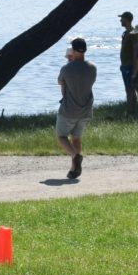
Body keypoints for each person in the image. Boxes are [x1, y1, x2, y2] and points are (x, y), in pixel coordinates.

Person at [56, 36, 97, 179]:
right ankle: (74, 169)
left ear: (73, 50)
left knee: (61, 136)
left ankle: (76, 156)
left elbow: (60, 81)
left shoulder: (66, 68)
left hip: (69, 110)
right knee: (76, 138)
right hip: (86, 110)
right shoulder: (92, 67)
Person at [118, 12, 136, 114]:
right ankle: (130, 109)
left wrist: (134, 67)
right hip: (124, 65)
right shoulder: (125, 33)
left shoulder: (132, 33)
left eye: (122, 19)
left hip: (130, 66)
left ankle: (131, 110)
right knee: (127, 88)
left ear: (127, 20)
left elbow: (135, 50)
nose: (120, 20)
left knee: (130, 89)